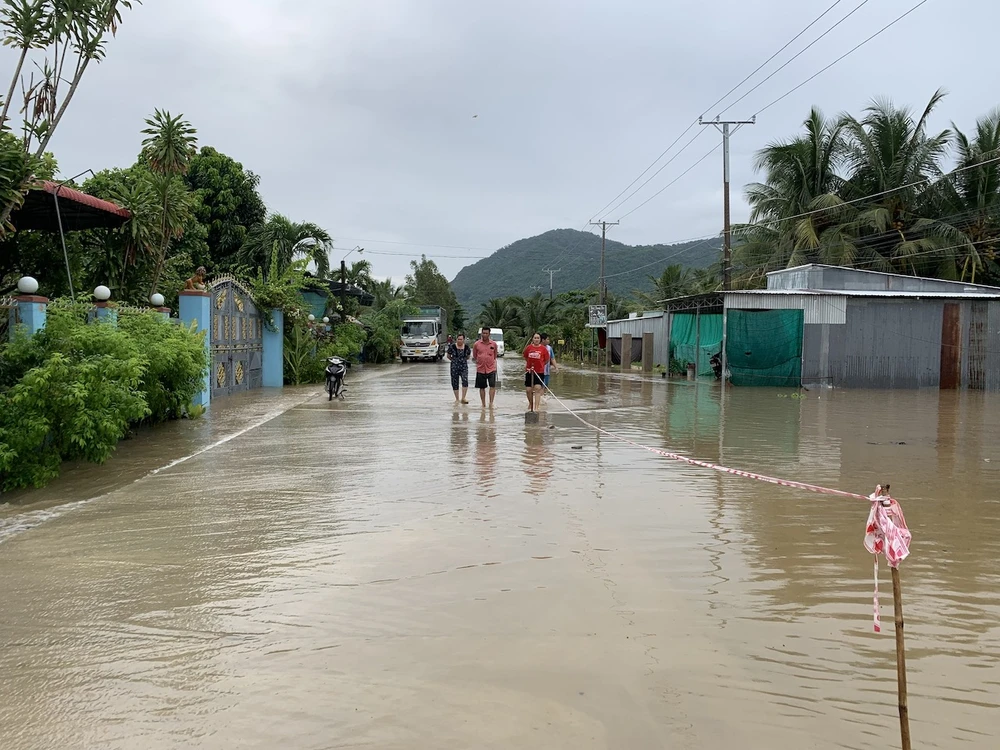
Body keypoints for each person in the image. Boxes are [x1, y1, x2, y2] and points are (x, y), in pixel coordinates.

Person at [472, 326, 499, 408]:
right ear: (481, 334)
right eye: (483, 333)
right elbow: (475, 355)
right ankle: (483, 404)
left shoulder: (493, 344)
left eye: (486, 333)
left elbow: (495, 356)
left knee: (493, 386)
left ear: (489, 334)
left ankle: (491, 403)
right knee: (482, 387)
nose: (485, 335)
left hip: (491, 369)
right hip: (480, 369)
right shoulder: (476, 344)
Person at [522, 332, 550, 412]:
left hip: (539, 371)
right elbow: (525, 357)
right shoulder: (528, 348)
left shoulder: (543, 349)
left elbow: (547, 360)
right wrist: (529, 366)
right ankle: (531, 403)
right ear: (532, 339)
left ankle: (537, 407)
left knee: (537, 388)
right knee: (528, 389)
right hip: (529, 371)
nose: (536, 339)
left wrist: (541, 364)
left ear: (540, 339)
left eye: (538, 338)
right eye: (535, 338)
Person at [446, 333, 471, 404]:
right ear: (456, 339)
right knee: (455, 382)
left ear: (464, 340)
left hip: (464, 367)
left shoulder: (466, 347)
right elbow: (448, 356)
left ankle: (463, 398)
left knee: (465, 380)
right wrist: (454, 361)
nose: (459, 341)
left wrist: (462, 361)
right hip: (454, 367)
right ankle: (457, 399)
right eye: (458, 339)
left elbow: (468, 357)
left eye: (461, 339)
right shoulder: (452, 347)